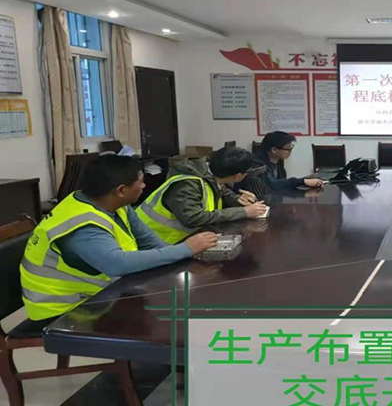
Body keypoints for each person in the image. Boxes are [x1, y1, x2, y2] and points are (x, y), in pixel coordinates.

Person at [20, 155, 218, 321]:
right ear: (121, 190)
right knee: (165, 317)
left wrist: (184, 257)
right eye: (140, 182)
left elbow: (148, 241)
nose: (144, 186)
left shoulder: (114, 204)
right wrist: (185, 249)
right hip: (65, 309)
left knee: (171, 304)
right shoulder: (84, 225)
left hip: (102, 291)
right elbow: (117, 264)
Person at [136, 146, 267, 244]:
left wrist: (238, 199)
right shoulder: (187, 185)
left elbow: (220, 190)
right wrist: (244, 212)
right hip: (154, 242)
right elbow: (193, 218)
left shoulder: (208, 173)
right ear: (237, 176)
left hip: (183, 240)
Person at [235, 131, 324, 199]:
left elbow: (281, 183)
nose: (290, 152)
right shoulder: (256, 164)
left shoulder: (278, 160)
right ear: (274, 150)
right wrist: (302, 181)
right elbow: (270, 185)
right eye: (288, 149)